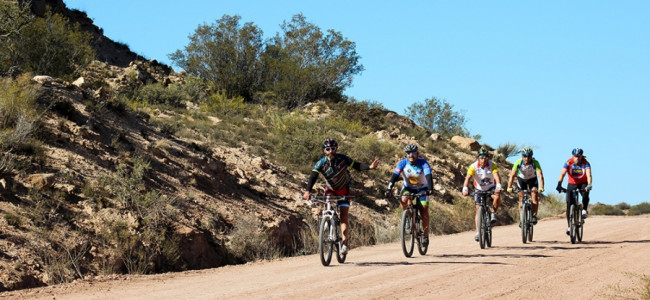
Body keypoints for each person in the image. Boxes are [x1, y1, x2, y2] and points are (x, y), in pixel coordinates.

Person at [303, 138, 380, 255]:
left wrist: (369, 167)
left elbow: (357, 166)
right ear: (324, 150)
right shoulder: (321, 163)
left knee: (344, 215)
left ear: (336, 149)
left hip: (344, 190)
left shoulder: (343, 159)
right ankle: (327, 222)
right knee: (327, 204)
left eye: (332, 149)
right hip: (330, 189)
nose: (330, 151)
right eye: (328, 149)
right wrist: (307, 191)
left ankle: (344, 244)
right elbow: (313, 177)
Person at [384, 144, 435, 247]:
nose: (410, 155)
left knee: (424, 210)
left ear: (417, 153)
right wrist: (389, 189)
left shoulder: (423, 163)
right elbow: (394, 177)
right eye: (408, 153)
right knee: (403, 198)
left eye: (413, 153)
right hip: (408, 188)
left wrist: (430, 189)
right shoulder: (402, 163)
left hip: (422, 189)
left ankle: (425, 236)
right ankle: (407, 216)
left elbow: (429, 177)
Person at [462, 147, 503, 242]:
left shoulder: (492, 165)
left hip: (491, 187)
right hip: (479, 188)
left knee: (497, 197)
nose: (483, 159)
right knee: (477, 209)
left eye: (485, 157)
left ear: (488, 158)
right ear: (478, 158)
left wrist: (498, 186)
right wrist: (465, 188)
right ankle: (478, 232)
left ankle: (493, 213)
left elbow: (496, 176)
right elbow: (468, 178)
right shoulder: (473, 166)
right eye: (481, 157)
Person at [556, 147, 592, 235]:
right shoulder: (569, 162)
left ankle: (584, 210)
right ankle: (569, 226)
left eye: (579, 156)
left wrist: (589, 184)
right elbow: (562, 173)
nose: (577, 158)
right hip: (572, 183)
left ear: (581, 156)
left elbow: (589, 175)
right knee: (569, 204)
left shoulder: (586, 163)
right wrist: (559, 184)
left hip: (583, 182)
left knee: (585, 194)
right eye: (575, 156)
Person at [506, 147, 545, 225]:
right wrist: (509, 186)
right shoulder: (518, 163)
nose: (527, 158)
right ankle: (521, 219)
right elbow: (512, 175)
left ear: (531, 156)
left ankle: (534, 215)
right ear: (522, 156)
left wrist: (541, 187)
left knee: (534, 195)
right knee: (521, 198)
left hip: (532, 180)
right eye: (525, 156)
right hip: (522, 180)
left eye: (529, 156)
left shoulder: (535, 163)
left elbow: (540, 175)